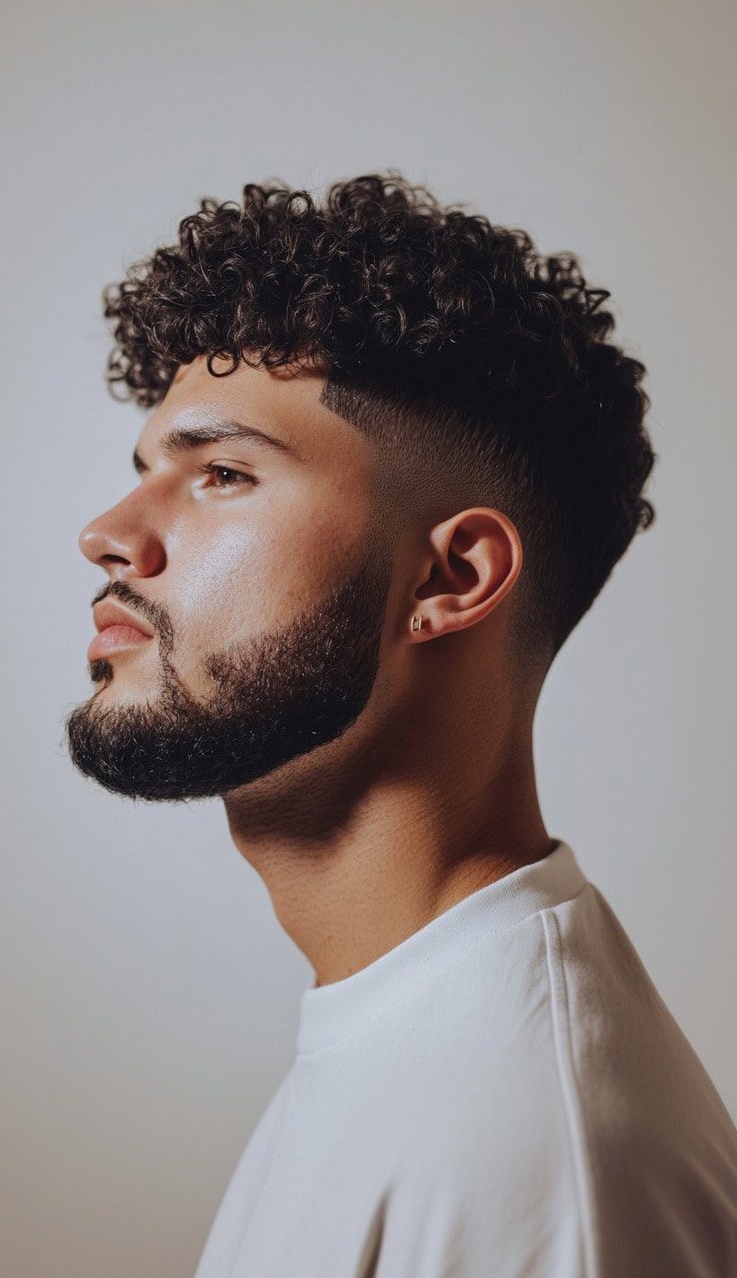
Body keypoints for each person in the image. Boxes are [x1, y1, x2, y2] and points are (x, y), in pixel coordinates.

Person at [65, 174, 737, 1277]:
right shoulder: (408, 1032)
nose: (107, 532)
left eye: (222, 472)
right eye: (145, 471)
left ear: (453, 575)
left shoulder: (531, 1157)